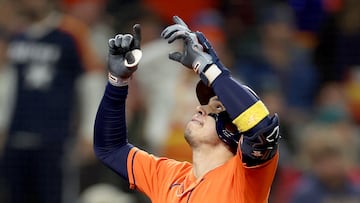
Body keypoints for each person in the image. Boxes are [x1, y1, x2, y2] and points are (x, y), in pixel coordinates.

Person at [94, 16, 280, 202]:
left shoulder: (243, 179)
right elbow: (111, 149)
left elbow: (262, 130)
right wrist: (117, 83)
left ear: (234, 129)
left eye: (215, 108)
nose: (200, 108)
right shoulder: (170, 177)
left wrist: (208, 67)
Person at [1, 0, 104, 202]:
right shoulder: (16, 34)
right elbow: (7, 84)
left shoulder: (71, 33)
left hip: (56, 138)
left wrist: (90, 132)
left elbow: (92, 83)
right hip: (16, 136)